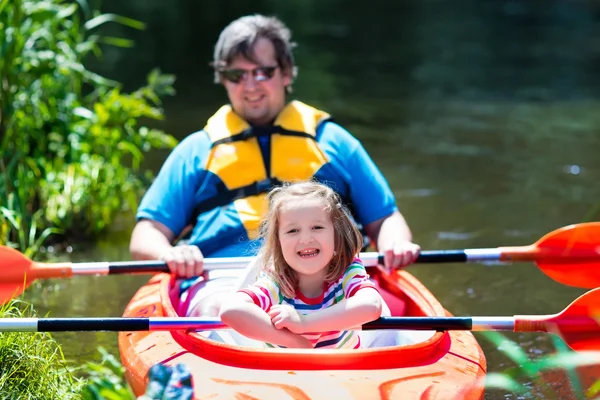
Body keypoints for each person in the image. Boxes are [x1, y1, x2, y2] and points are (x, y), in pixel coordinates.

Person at [129, 14, 420, 280]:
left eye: (262, 72)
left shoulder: (333, 142)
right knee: (222, 309)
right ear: (223, 80)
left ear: (286, 73)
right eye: (236, 75)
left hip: (330, 279)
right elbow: (146, 234)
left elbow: (384, 219)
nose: (250, 85)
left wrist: (395, 244)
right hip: (223, 281)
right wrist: (171, 254)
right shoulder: (195, 151)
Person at [219, 181, 385, 349]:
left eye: (317, 227)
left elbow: (372, 305)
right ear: (278, 242)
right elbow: (231, 309)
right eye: (293, 231)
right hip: (287, 372)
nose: (306, 239)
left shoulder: (346, 270)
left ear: (336, 233)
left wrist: (303, 322)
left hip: (342, 369)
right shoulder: (277, 279)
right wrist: (295, 342)